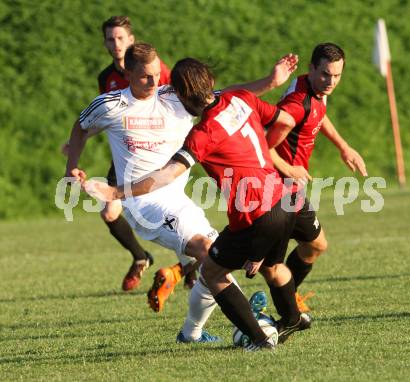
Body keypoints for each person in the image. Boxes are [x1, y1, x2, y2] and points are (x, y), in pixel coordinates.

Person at [65, 43, 297, 343]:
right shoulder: (110, 105)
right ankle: (253, 329)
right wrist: (72, 167)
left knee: (212, 258)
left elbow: (220, 95)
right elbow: (81, 127)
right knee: (207, 249)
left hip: (177, 198)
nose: (154, 81)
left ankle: (191, 333)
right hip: (142, 203)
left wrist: (270, 82)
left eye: (156, 73)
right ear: (127, 73)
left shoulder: (174, 95)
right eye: (145, 77)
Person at [63, 16, 172, 292]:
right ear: (104, 43)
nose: (116, 44)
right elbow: (109, 116)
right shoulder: (106, 78)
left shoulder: (155, 69)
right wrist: (78, 140)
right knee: (109, 212)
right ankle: (140, 257)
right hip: (127, 156)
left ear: (131, 40)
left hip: (161, 153)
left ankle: (190, 267)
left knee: (169, 212)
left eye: (121, 38)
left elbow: (174, 107)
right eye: (110, 39)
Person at [266, 42, 368, 311]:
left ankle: (286, 297)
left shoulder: (315, 90)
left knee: (314, 246)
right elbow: (264, 146)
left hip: (290, 188)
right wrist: (288, 169)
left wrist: (343, 146)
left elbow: (319, 115)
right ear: (311, 69)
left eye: (337, 76)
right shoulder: (296, 105)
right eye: (325, 74)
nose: (331, 81)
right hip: (276, 187)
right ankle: (280, 305)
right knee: (252, 257)